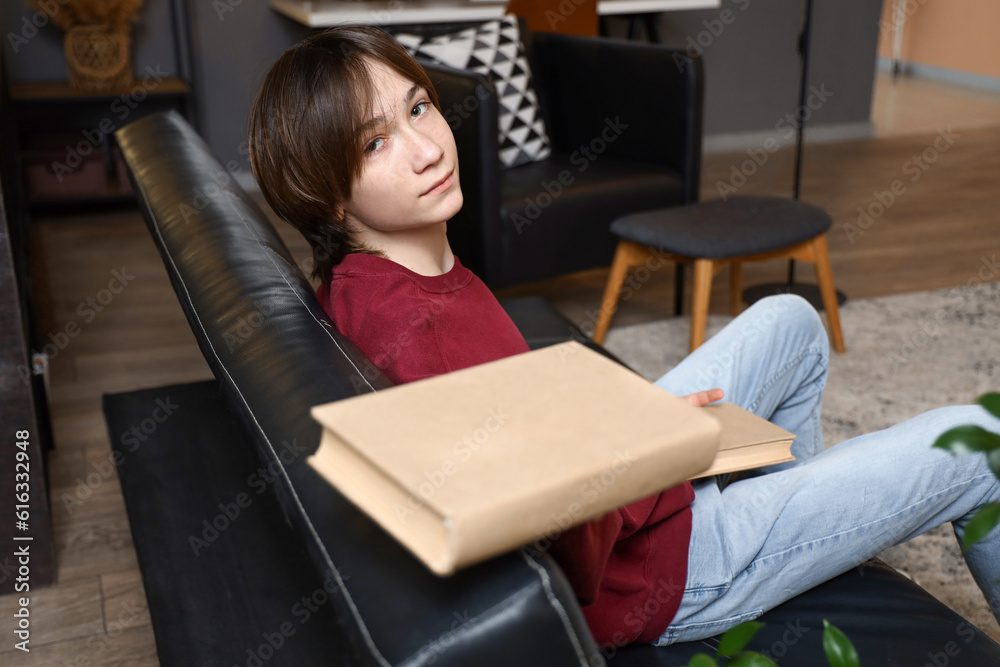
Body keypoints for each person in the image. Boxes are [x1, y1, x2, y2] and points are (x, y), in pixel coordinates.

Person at [248, 25, 1000, 649]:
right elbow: (565, 548)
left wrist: (642, 427)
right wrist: (666, 445)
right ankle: (769, 551)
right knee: (981, 441)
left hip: (622, 484)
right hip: (659, 574)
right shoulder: (420, 336)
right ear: (326, 191)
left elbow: (538, 439)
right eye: (374, 144)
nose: (427, 147)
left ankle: (797, 536)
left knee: (793, 323)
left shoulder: (375, 275)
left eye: (417, 107)